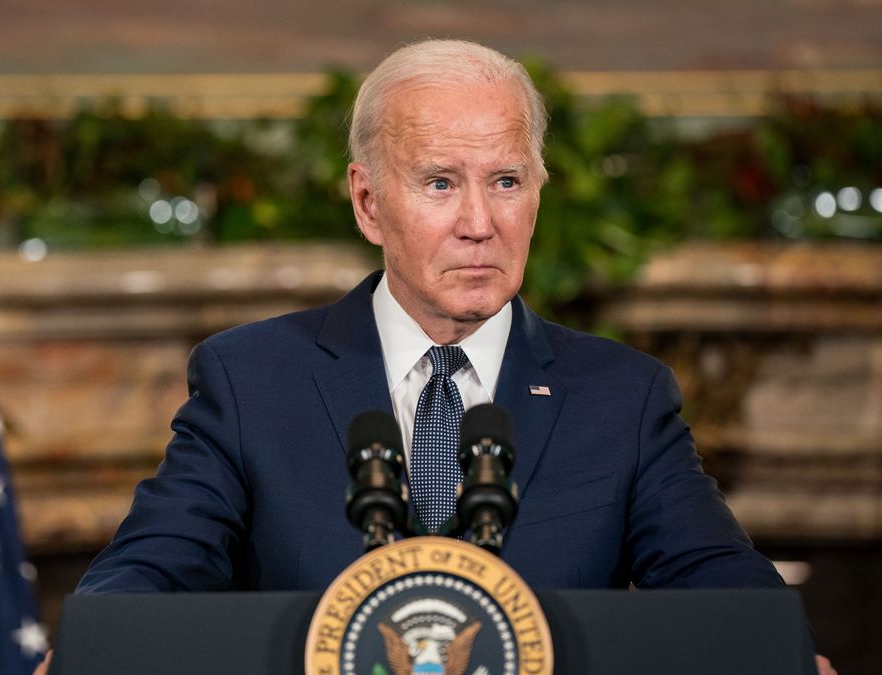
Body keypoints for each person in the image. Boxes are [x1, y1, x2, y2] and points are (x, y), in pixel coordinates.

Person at [60, 39, 834, 675]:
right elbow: (145, 578)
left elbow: (730, 598)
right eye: (439, 182)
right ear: (368, 203)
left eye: (506, 180)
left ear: (538, 192)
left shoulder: (623, 396)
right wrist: (93, 650)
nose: (479, 222)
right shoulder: (251, 380)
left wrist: (785, 651)